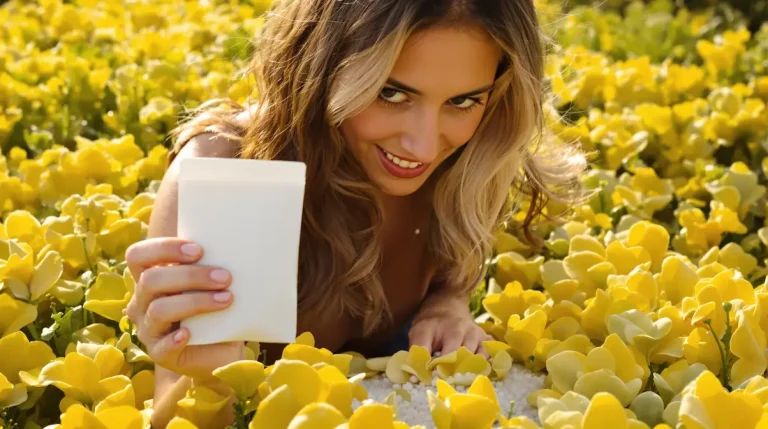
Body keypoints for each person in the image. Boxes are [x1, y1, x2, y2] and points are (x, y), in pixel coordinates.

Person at [124, 0, 587, 426]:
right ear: (321, 66)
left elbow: (449, 277)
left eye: (462, 101)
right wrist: (211, 378)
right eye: (391, 93)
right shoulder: (227, 168)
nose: (424, 146)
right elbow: (171, 418)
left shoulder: (469, 161)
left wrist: (446, 302)